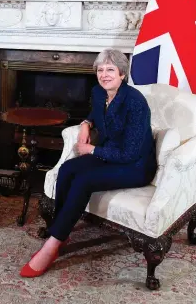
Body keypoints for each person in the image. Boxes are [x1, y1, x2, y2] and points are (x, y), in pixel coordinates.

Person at [20, 48, 157, 278]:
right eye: (100, 70)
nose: (104, 74)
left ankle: (53, 244)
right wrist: (85, 123)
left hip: (135, 166)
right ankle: (60, 228)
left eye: (110, 70)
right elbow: (96, 113)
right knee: (67, 169)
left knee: (83, 179)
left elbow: (130, 153)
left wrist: (91, 149)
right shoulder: (98, 92)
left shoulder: (135, 102)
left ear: (122, 74)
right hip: (109, 154)